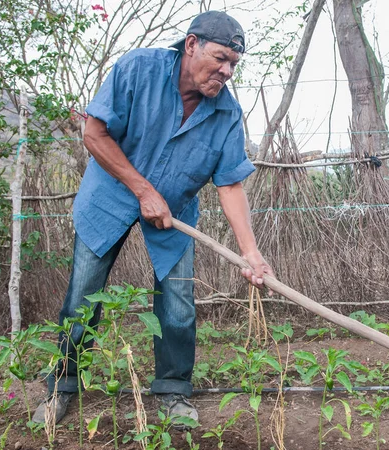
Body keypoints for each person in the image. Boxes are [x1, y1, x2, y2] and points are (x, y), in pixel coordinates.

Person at [33, 10, 273, 426]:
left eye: (234, 63)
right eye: (220, 58)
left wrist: (250, 253)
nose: (226, 71)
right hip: (109, 196)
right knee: (82, 298)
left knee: (178, 305)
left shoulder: (226, 114)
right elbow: (94, 134)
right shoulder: (139, 69)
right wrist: (143, 191)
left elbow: (230, 184)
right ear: (192, 43)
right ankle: (61, 386)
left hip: (174, 212)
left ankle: (173, 391)